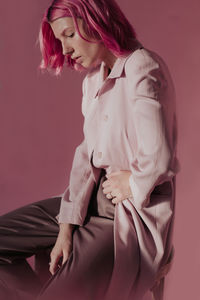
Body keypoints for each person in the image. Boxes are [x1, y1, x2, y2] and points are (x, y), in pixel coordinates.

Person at [0, 0, 180, 299]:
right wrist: (66, 227)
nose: (65, 49)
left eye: (69, 35)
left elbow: (159, 158)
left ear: (95, 21)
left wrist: (132, 182)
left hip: (123, 214)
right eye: (60, 40)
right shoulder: (93, 82)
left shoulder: (142, 66)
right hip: (86, 200)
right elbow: (87, 155)